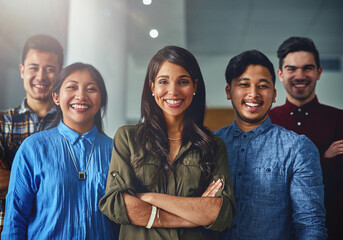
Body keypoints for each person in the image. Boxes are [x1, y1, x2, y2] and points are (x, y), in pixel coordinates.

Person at [99, 46, 235, 240]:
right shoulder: (128, 138)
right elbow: (117, 205)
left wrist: (148, 197)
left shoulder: (213, 146)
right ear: (152, 87)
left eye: (183, 81)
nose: (173, 91)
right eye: (164, 81)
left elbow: (220, 213)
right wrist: (193, 215)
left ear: (195, 86)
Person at [214, 50, 327, 239]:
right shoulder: (209, 144)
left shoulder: (298, 148)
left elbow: (310, 225)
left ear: (274, 94)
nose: (253, 94)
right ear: (229, 91)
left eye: (262, 86)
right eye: (244, 84)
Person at [1, 63, 119, 239]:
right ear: (56, 97)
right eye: (72, 87)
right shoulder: (33, 148)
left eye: (91, 89)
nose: (81, 96)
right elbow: (14, 222)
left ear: (101, 100)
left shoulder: (117, 151)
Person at [269, 36, 343, 239]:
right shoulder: (267, 121)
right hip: (276, 231)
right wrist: (324, 159)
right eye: (292, 69)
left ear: (319, 72)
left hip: (333, 228)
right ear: (280, 74)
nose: (299, 75)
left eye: (307, 68)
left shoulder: (340, 120)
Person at [0, 34, 63, 232]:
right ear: (22, 71)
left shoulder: (71, 124)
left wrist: (15, 178)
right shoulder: (3, 122)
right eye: (34, 68)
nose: (41, 76)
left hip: (54, 232)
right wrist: (53, 181)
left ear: (60, 74)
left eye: (49, 69)